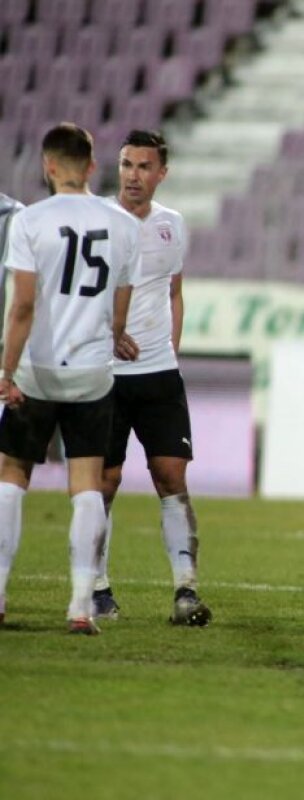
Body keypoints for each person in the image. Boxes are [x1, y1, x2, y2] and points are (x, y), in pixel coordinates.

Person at [0, 123, 140, 634]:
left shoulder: (30, 222)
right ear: (92, 165)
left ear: (49, 166)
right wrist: (115, 336)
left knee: (12, 473)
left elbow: (22, 306)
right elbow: (120, 304)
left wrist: (5, 370)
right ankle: (81, 603)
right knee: (86, 484)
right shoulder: (123, 224)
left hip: (36, 371)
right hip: (91, 373)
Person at [91, 130, 210, 627]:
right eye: (126, 165)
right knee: (104, 481)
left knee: (172, 477)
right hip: (105, 374)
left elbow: (174, 291)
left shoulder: (172, 225)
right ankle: (96, 587)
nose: (133, 175)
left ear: (162, 173)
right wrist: (108, 332)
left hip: (159, 373)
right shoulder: (96, 219)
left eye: (143, 167)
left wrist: (172, 347)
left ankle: (186, 590)